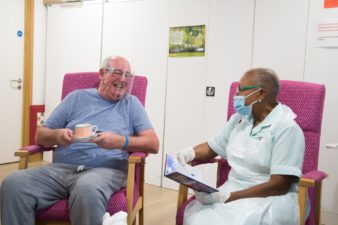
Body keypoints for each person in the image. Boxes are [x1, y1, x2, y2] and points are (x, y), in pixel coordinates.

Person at [0, 56, 159, 225]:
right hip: (61, 170)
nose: (122, 79)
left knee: (87, 187)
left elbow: (153, 144)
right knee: (13, 184)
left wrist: (120, 141)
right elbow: (40, 135)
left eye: (128, 75)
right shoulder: (75, 98)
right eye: (118, 72)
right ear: (102, 73)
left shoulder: (131, 104)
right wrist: (57, 136)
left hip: (104, 171)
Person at [177, 68, 305, 225]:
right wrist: (190, 152)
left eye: (241, 90)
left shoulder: (286, 128)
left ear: (261, 94)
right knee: (199, 220)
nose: (236, 95)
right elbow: (212, 147)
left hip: (269, 198)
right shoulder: (239, 119)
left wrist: (227, 197)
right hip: (232, 189)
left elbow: (280, 185)